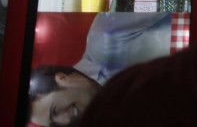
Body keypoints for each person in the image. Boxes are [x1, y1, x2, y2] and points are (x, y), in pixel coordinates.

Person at [28, 12, 172, 126]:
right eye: (54, 124)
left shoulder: (104, 37)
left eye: (55, 111)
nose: (65, 121)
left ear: (62, 79)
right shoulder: (114, 113)